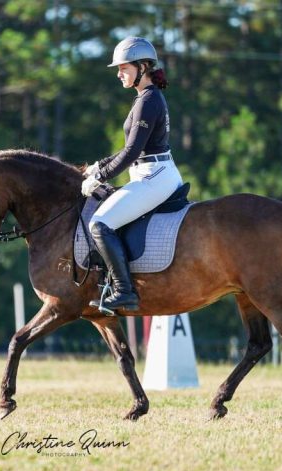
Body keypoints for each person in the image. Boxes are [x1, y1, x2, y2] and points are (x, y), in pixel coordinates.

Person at [81, 36, 183, 313]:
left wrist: (100, 178)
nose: (118, 74)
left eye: (123, 68)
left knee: (99, 224)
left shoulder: (148, 101)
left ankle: (124, 292)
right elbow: (129, 148)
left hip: (153, 177)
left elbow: (131, 152)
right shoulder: (146, 98)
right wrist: (99, 166)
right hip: (151, 172)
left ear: (142, 67)